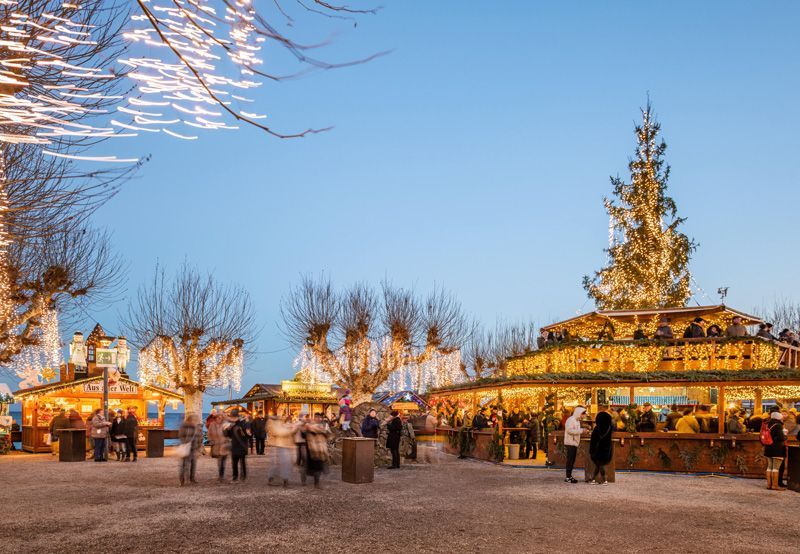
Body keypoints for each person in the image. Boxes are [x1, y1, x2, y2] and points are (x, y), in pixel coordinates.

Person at [267, 415, 295, 486]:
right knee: (276, 464)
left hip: (283, 445)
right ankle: (272, 480)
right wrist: (289, 430)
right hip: (276, 445)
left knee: (285, 463)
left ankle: (285, 480)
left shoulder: (280, 423)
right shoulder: (272, 423)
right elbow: (278, 432)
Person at [763, 409, 787, 491]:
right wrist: (785, 436)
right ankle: (775, 486)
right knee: (776, 468)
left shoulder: (767, 424)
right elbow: (781, 437)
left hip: (768, 448)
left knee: (769, 467)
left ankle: (769, 485)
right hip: (777, 449)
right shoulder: (778, 425)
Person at [589, 407, 613, 485]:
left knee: (599, 465)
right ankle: (596, 479)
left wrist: (591, 450)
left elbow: (593, 440)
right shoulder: (610, 428)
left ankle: (602, 480)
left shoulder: (597, 429)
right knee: (600, 465)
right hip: (606, 449)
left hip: (597, 449)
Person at [178, 413, 202, 486]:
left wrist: (199, 447)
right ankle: (182, 480)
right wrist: (187, 442)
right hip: (186, 448)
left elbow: (199, 437)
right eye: (195, 419)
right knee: (184, 465)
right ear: (190, 419)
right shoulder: (184, 426)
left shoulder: (197, 427)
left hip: (194, 448)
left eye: (196, 420)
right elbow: (181, 436)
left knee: (193, 464)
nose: (196, 421)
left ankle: (192, 478)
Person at [563, 405, 586, 483]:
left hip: (574, 443)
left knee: (572, 460)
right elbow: (569, 430)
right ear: (579, 413)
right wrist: (582, 431)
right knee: (570, 460)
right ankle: (568, 477)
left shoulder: (577, 420)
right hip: (570, 442)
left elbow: (575, 430)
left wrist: (582, 430)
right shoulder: (571, 420)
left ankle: (569, 476)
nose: (584, 415)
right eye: (583, 413)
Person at [207, 412, 231, 481]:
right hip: (217, 445)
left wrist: (228, 440)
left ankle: (221, 475)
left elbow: (229, 434)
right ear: (216, 418)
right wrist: (211, 440)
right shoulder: (212, 424)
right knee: (220, 461)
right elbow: (209, 434)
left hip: (224, 445)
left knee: (223, 461)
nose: (219, 419)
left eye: (220, 417)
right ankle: (221, 475)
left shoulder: (225, 424)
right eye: (218, 417)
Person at [229, 410, 249, 483]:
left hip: (242, 446)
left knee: (242, 463)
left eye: (233, 417)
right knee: (234, 464)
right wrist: (227, 429)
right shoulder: (232, 425)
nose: (232, 419)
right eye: (232, 417)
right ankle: (235, 477)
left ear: (237, 417)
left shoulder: (243, 424)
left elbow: (247, 435)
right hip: (234, 446)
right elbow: (229, 435)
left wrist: (245, 425)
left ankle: (243, 477)